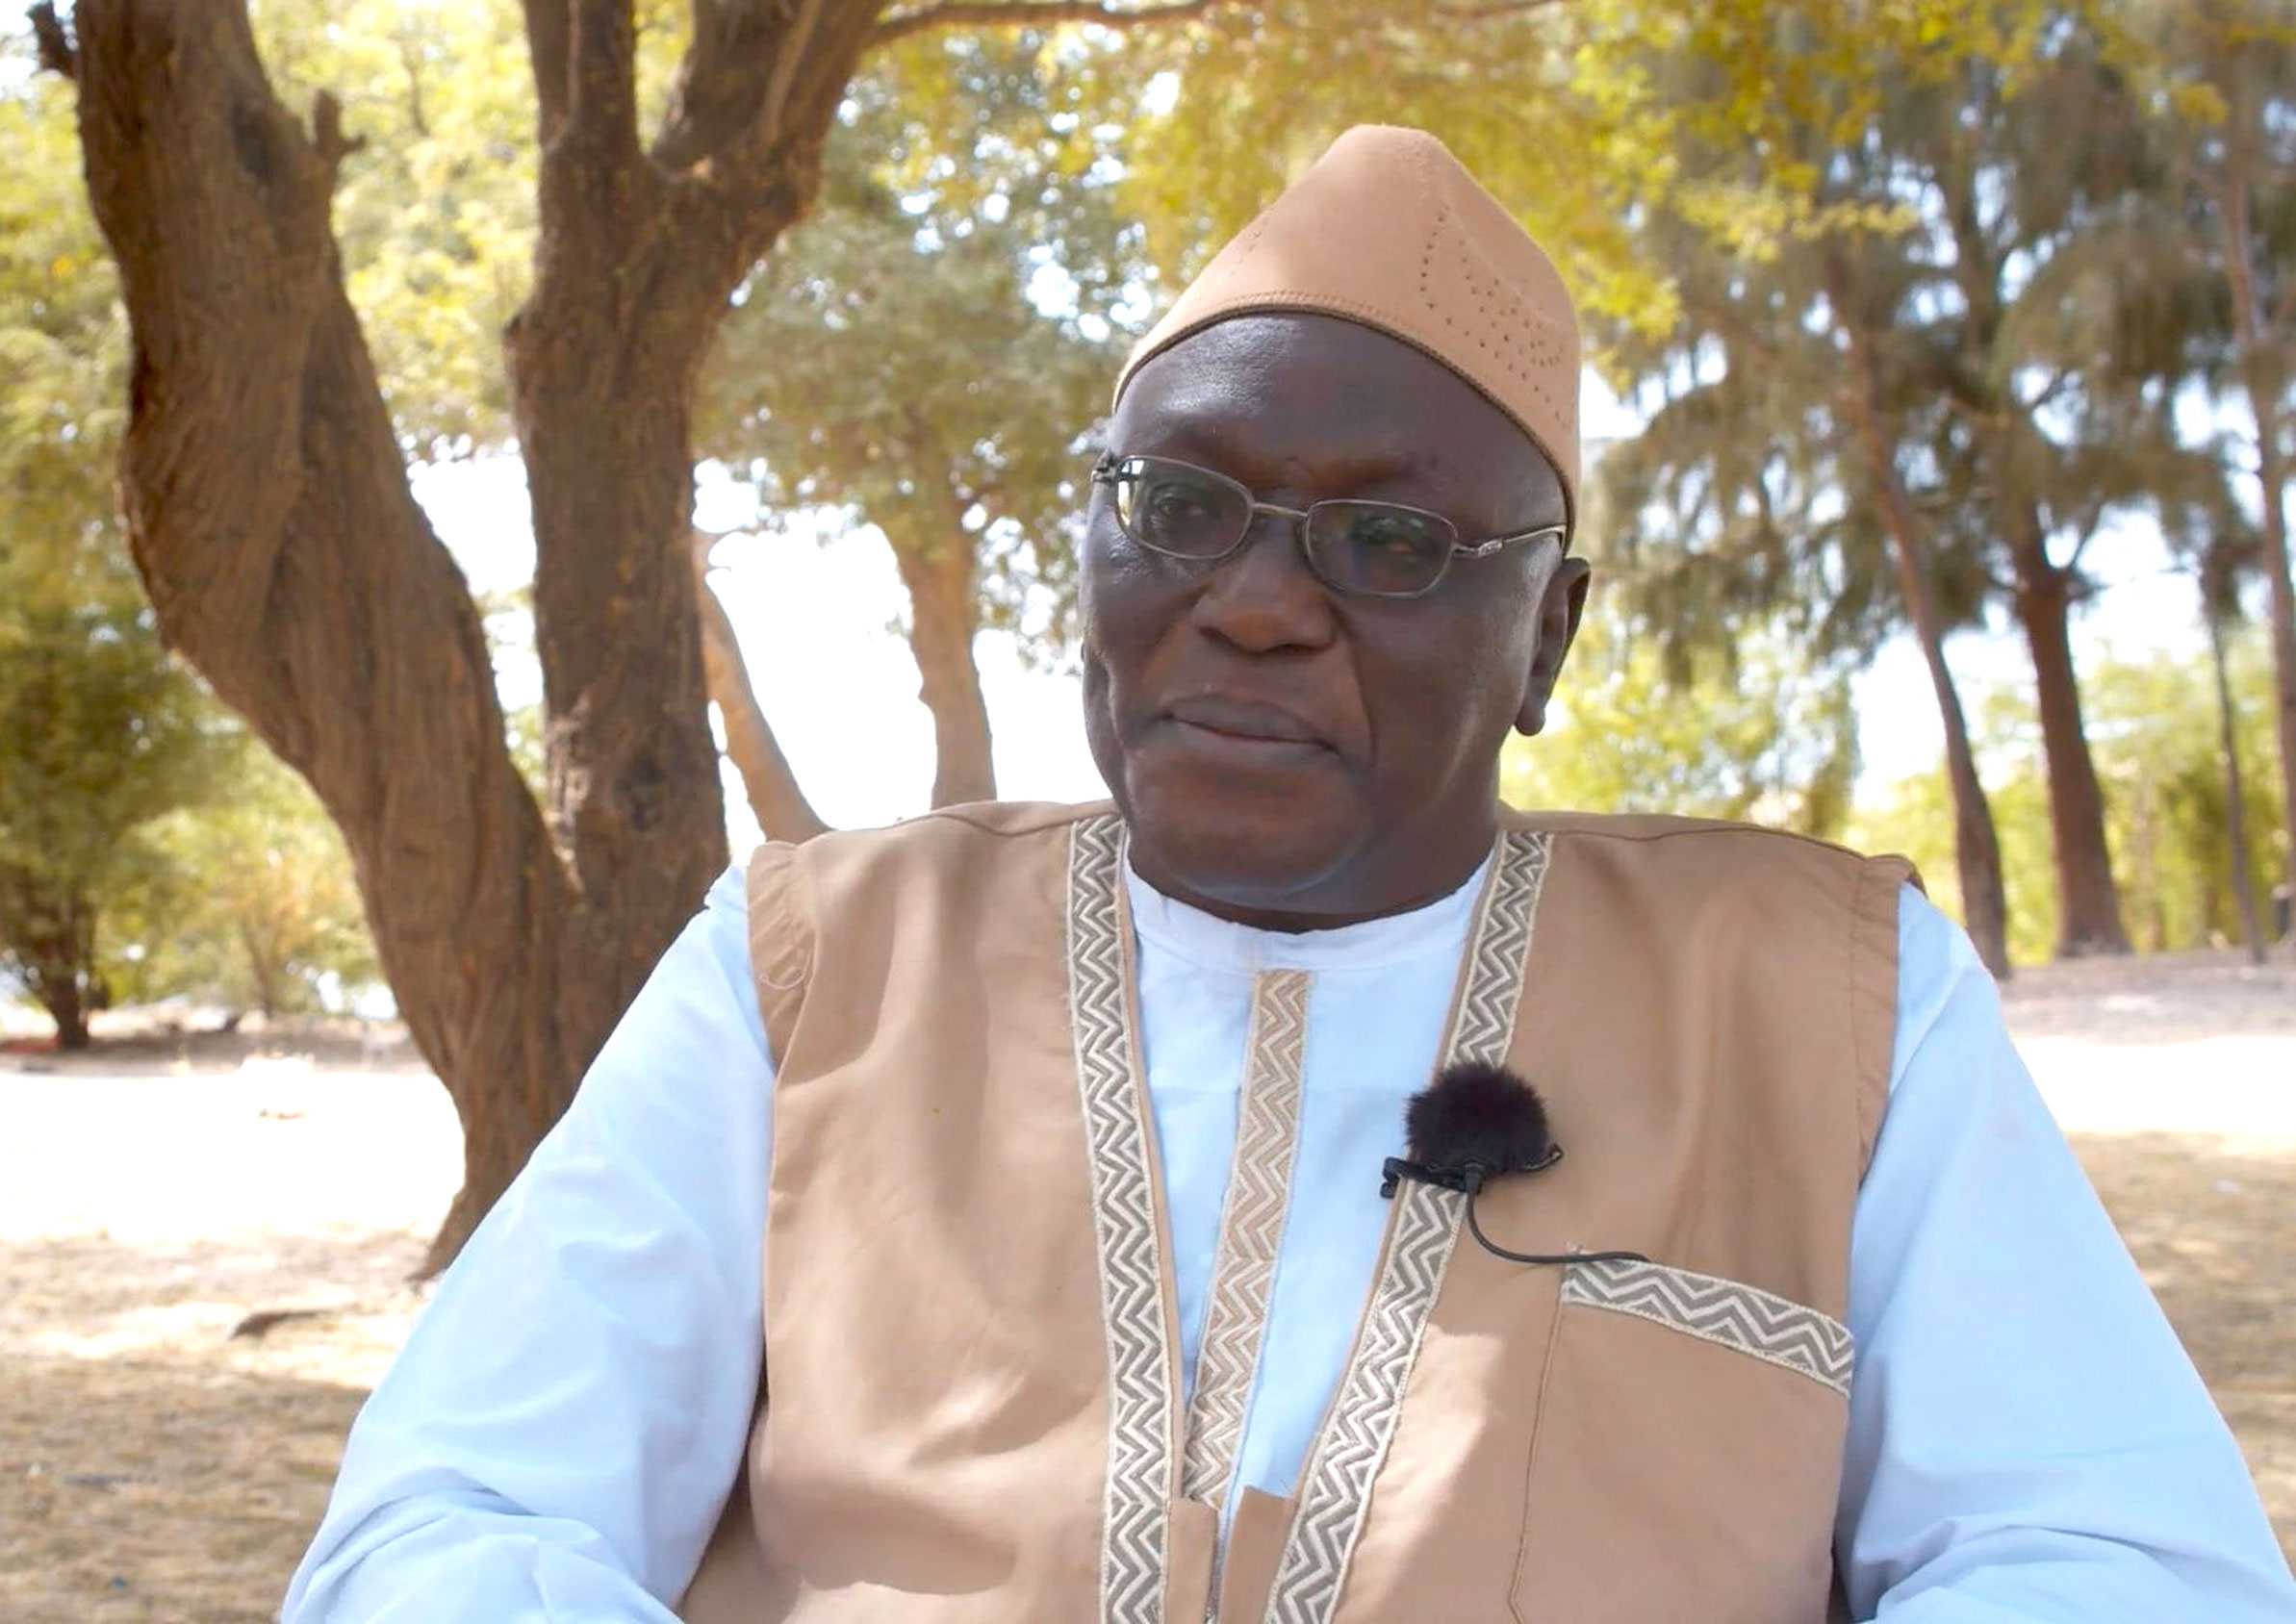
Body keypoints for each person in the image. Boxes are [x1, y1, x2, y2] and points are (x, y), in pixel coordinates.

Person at [283, 126, 2296, 1622]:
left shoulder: (1824, 994)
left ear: (1550, 636)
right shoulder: (815, 960)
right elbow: (461, 1515)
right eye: (1177, 506)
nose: (1248, 605)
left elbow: (2104, 1547)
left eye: (1389, 545)